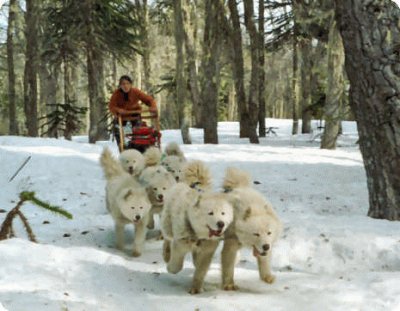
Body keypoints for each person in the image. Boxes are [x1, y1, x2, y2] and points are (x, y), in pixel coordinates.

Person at [109, 75, 158, 151]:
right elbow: (111, 106)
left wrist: (153, 106)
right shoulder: (116, 94)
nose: (125, 86)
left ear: (131, 84)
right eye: (123, 84)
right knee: (117, 129)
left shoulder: (135, 91)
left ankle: (138, 147)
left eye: (127, 83)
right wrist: (118, 110)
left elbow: (149, 100)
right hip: (121, 116)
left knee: (138, 130)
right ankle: (122, 148)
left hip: (134, 114)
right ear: (120, 86)